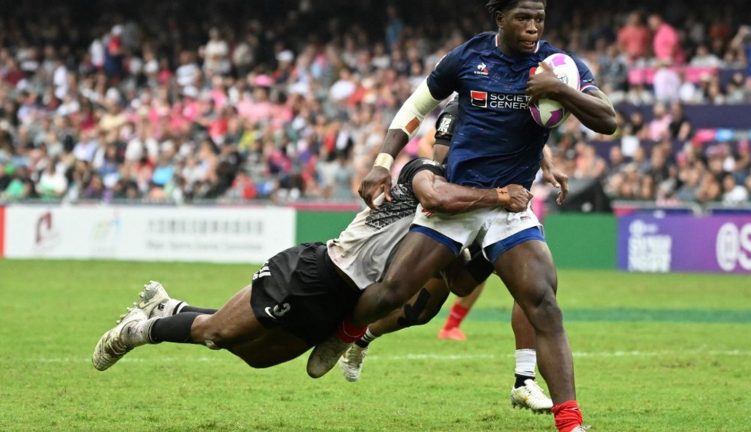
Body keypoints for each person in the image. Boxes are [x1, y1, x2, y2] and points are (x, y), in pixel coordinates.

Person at [307, 1, 616, 431]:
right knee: (396, 292)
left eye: (539, 19)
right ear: (499, 19)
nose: (532, 27)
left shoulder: (559, 66)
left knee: (543, 302)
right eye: (522, 18)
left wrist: (561, 91)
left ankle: (569, 421)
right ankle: (346, 333)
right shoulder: (468, 58)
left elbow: (608, 121)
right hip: (457, 200)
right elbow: (415, 108)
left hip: (511, 207)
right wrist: (382, 161)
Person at [91, 156, 533, 373]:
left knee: (254, 356)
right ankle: (137, 330)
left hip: (352, 301)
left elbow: (457, 283)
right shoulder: (427, 171)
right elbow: (436, 197)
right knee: (217, 333)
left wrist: (495, 250)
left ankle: (168, 307)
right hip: (322, 273)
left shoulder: (474, 214)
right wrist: (499, 198)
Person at [338, 98, 556, 413]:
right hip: (458, 208)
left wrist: (546, 163)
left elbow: (534, 134)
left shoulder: (512, 102)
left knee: (530, 284)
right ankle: (361, 338)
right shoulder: (461, 105)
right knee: (426, 307)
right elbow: (442, 159)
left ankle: (524, 381)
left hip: (503, 212)